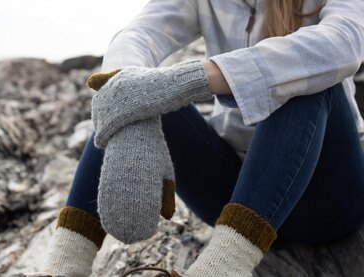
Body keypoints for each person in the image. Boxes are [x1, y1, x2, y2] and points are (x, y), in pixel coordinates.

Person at [27, 0, 364, 276]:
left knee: (311, 79)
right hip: (234, 192)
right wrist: (132, 113)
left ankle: (221, 270)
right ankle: (63, 267)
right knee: (131, 89)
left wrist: (196, 79)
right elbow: (138, 36)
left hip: (327, 201)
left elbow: (344, 42)